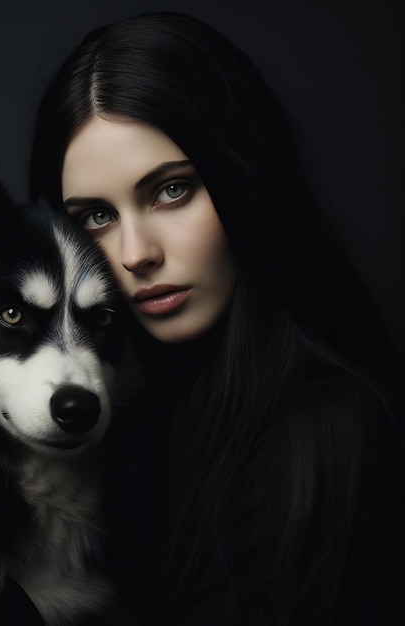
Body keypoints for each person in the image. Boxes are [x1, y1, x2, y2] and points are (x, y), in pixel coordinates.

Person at [28, 11, 405, 626]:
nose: (135, 253)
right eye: (95, 216)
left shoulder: (330, 430)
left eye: (171, 191)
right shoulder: (105, 422)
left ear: (244, 179)